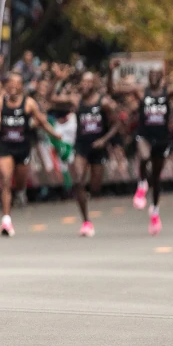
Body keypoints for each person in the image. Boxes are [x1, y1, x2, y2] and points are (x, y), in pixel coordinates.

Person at [108, 61, 173, 235]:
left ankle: (155, 210)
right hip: (144, 134)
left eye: (156, 74)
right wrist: (111, 72)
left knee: (157, 177)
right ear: (148, 77)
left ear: (161, 77)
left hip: (161, 138)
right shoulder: (141, 91)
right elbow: (112, 90)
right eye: (151, 74)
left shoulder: (168, 92)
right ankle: (141, 184)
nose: (153, 77)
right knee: (144, 156)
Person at [0, 73, 60, 237]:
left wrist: (54, 134)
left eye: (16, 83)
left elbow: (42, 121)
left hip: (23, 147)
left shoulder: (28, 103)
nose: (13, 86)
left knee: (20, 183)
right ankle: (6, 219)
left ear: (21, 86)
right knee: (5, 179)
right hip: (5, 146)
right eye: (10, 83)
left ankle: (20, 193)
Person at [62, 72, 120, 237]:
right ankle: (86, 221)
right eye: (83, 82)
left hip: (98, 147)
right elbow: (52, 97)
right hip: (81, 146)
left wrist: (104, 140)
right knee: (78, 180)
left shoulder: (104, 103)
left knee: (95, 187)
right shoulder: (76, 100)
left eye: (89, 82)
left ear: (95, 84)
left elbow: (116, 124)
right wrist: (56, 79)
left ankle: (89, 194)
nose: (85, 85)